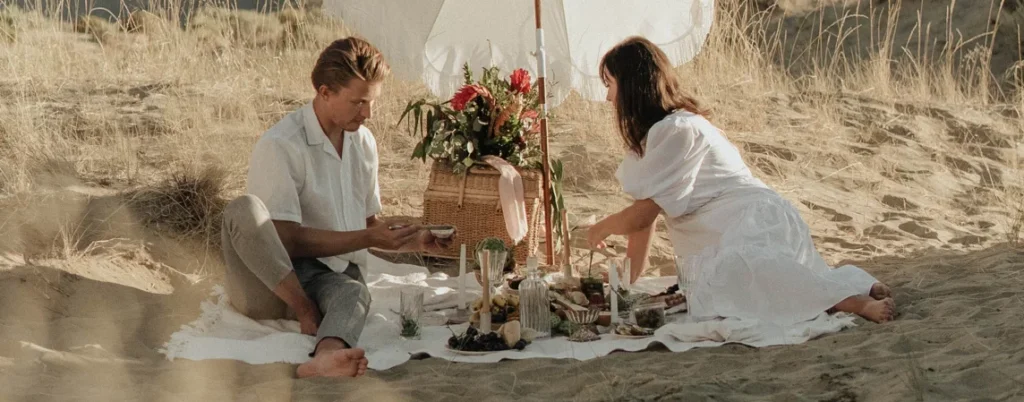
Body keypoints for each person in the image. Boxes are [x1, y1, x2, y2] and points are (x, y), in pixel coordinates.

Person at [585, 36, 895, 325]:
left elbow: (642, 215)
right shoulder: (656, 137)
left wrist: (601, 227)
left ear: (632, 86)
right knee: (729, 286)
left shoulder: (678, 130)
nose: (609, 97)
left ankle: (853, 301)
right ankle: (857, 284)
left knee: (740, 277)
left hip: (754, 222)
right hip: (732, 231)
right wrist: (625, 284)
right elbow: (645, 218)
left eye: (610, 84)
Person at [220, 37, 451, 378]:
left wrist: (412, 240)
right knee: (243, 210)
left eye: (371, 102)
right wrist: (303, 308)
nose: (368, 113)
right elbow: (286, 241)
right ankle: (306, 310)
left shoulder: (363, 141)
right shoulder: (281, 144)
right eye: (358, 102)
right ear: (325, 92)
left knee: (354, 293)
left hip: (329, 278)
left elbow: (368, 224)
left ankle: (326, 356)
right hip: (272, 283)